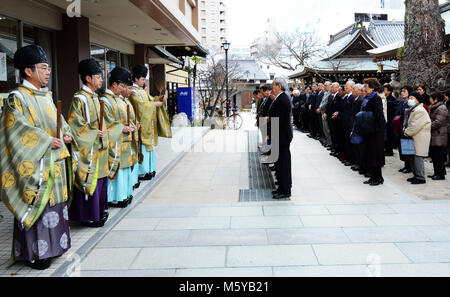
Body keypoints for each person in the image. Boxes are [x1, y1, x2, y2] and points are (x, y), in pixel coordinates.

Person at [0, 45, 73, 270]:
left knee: (55, 208)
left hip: (54, 161)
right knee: (38, 206)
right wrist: (45, 140)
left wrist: (67, 135)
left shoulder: (45, 96)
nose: (48, 72)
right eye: (43, 68)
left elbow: (59, 123)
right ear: (28, 71)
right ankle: (36, 253)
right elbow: (16, 131)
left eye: (48, 68)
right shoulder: (16, 98)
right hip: (35, 165)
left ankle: (56, 248)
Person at [67, 59, 109, 228]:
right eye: (98, 77)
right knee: (91, 181)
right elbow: (75, 125)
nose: (101, 80)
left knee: (100, 181)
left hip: (98, 147)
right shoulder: (80, 99)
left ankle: (99, 211)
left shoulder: (94, 97)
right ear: (88, 78)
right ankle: (89, 215)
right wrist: (93, 133)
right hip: (89, 149)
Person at [100, 67, 135, 208]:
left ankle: (124, 194)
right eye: (122, 86)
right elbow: (106, 123)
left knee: (124, 169)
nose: (123, 89)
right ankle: (115, 197)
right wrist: (122, 128)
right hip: (114, 141)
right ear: (114, 84)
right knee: (117, 170)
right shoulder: (105, 100)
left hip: (122, 139)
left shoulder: (115, 100)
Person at [129, 65, 171, 182]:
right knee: (142, 148)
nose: (144, 81)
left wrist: (159, 98)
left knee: (147, 147)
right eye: (142, 79)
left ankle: (149, 169)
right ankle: (142, 172)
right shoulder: (133, 92)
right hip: (140, 124)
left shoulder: (141, 91)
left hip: (146, 123)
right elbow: (140, 106)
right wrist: (154, 105)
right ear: (136, 79)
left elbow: (150, 100)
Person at [268, 77, 293, 199]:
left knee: (283, 163)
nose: (272, 87)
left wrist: (270, 119)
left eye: (273, 85)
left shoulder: (282, 99)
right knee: (280, 163)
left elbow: (278, 119)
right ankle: (282, 187)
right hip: (278, 134)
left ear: (279, 86)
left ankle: (285, 190)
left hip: (281, 135)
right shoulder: (280, 98)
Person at [403, 92, 431, 184]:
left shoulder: (420, 110)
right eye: (409, 98)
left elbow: (415, 126)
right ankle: (416, 175)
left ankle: (420, 177)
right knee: (412, 156)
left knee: (418, 157)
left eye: (412, 98)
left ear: (418, 99)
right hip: (414, 136)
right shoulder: (413, 109)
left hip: (419, 136)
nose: (409, 100)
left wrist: (406, 132)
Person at [361, 78, 386, 186]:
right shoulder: (367, 98)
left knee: (376, 155)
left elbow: (379, 116)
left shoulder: (376, 99)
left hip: (375, 131)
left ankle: (378, 177)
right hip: (368, 130)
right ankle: (372, 176)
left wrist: (380, 131)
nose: (364, 89)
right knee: (370, 154)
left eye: (366, 87)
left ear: (372, 88)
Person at [428, 91, 449, 180]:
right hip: (434, 135)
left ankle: (440, 174)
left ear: (435, 99)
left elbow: (438, 122)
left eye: (431, 97)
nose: (429, 99)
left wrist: (427, 126)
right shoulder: (434, 107)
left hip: (439, 135)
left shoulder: (441, 108)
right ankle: (437, 172)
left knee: (438, 156)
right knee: (434, 155)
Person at [396, 86, 413, 174]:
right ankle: (406, 165)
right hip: (400, 126)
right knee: (402, 147)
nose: (402, 93)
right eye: (401, 91)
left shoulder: (410, 103)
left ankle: (409, 166)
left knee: (407, 147)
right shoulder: (401, 102)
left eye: (404, 91)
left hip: (407, 127)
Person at [351, 84, 364, 172]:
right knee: (356, 146)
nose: (353, 91)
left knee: (359, 147)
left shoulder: (360, 100)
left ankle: (360, 164)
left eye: (354, 90)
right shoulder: (355, 100)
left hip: (359, 126)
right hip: (354, 125)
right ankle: (357, 163)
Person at [342, 81, 356, 166]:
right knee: (346, 141)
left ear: (351, 87)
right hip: (345, 122)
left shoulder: (352, 98)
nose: (345, 88)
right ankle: (348, 157)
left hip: (349, 123)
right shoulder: (347, 97)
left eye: (347, 87)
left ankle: (351, 159)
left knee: (350, 142)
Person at [384, 84, 398, 157]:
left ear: (389, 91)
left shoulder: (392, 99)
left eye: (385, 90)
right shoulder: (384, 98)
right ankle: (386, 149)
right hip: (385, 119)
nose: (384, 91)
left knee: (389, 136)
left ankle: (389, 151)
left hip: (390, 120)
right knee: (385, 136)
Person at [318, 81, 332, 148]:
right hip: (322, 112)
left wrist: (320, 108)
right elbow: (322, 102)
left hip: (326, 113)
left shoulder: (330, 94)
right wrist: (320, 108)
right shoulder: (325, 93)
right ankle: (328, 141)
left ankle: (330, 143)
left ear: (330, 85)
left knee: (327, 129)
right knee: (325, 129)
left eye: (326, 85)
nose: (324, 86)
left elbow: (326, 103)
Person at [444, 89, 450, 167]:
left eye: (446, 95)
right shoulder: (446, 104)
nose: (445, 97)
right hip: (447, 128)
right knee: (448, 146)